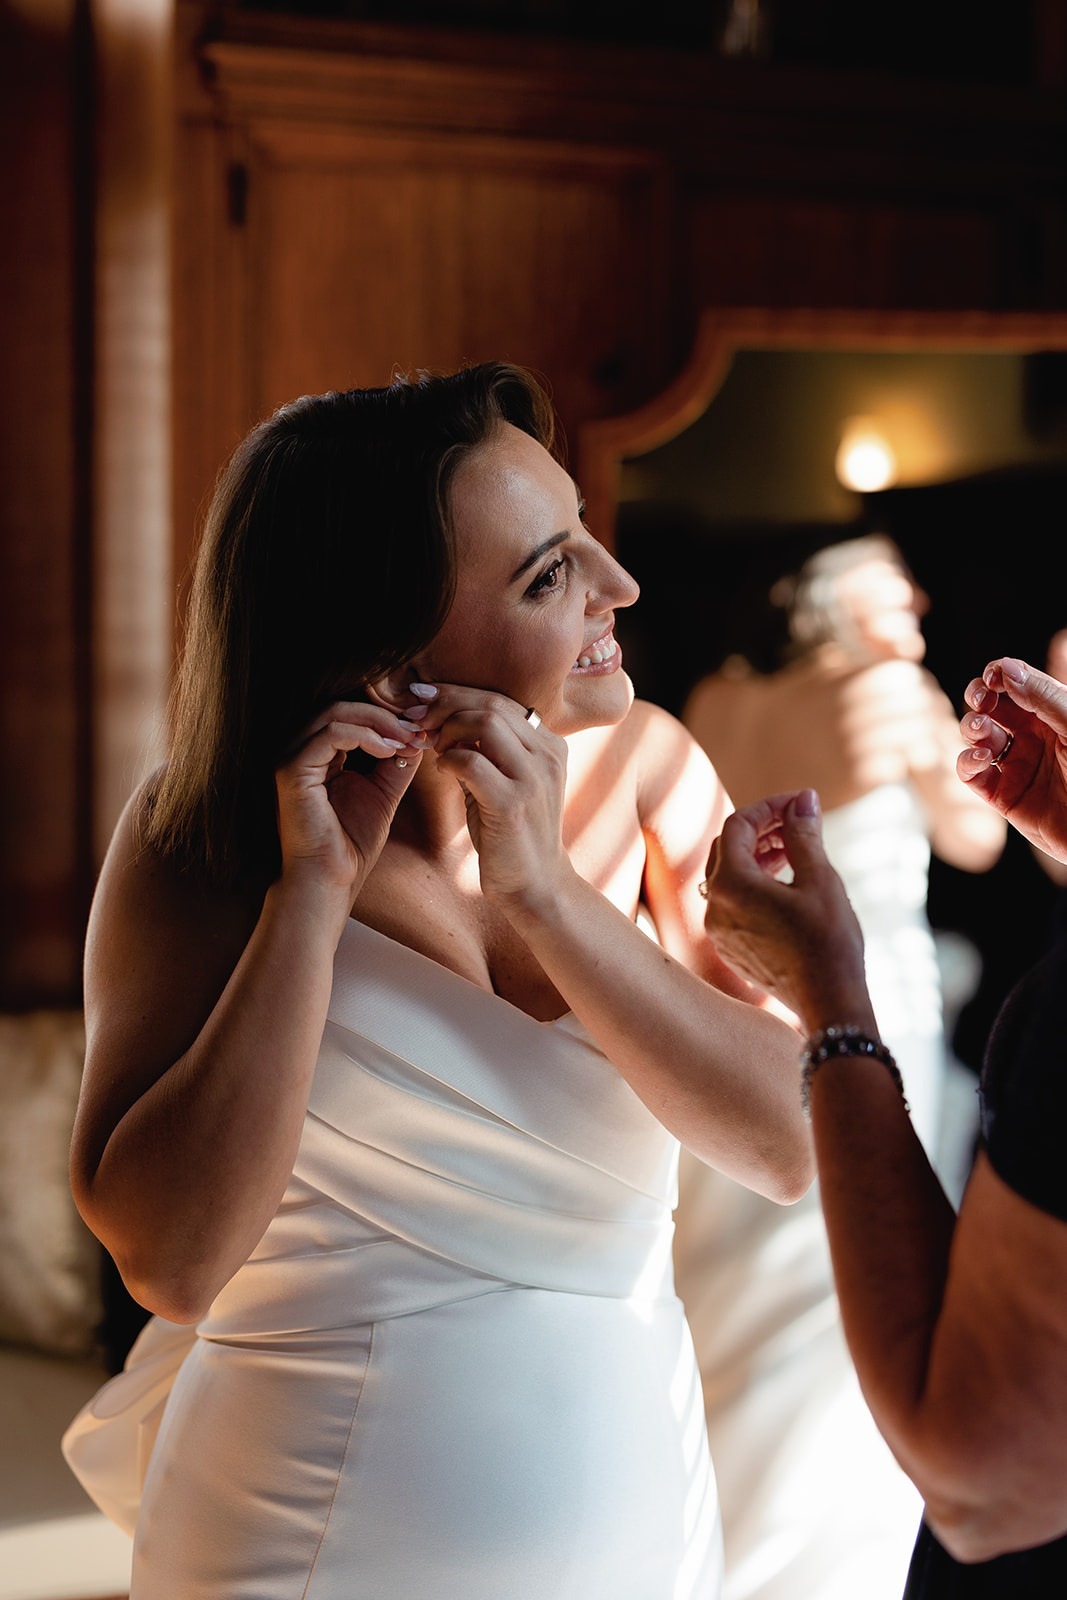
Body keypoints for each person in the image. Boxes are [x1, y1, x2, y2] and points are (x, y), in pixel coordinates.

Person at [60, 362, 812, 1600]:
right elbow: (174, 1260)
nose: (615, 588)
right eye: (546, 572)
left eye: (582, 541)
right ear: (383, 653)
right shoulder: (201, 831)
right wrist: (309, 899)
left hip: (637, 1522)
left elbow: (790, 1140)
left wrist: (549, 898)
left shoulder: (651, 773)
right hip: (294, 1537)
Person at [671, 532, 1006, 1600]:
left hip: (745, 1000)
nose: (909, 591)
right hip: (865, 1006)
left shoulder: (714, 700)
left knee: (742, 1268)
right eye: (880, 577)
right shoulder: (889, 692)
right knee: (868, 1267)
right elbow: (974, 837)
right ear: (818, 597)